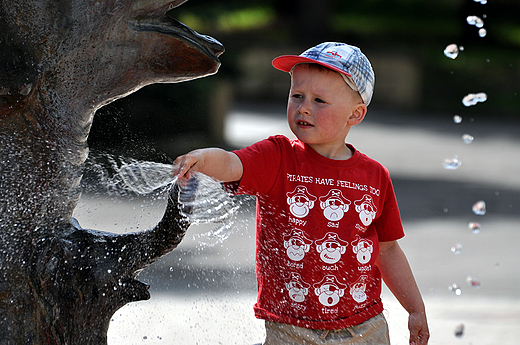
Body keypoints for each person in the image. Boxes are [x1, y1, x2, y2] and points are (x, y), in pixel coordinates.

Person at [172, 42, 429, 345]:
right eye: (297, 96)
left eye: (319, 100)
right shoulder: (277, 156)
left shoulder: (375, 177)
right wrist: (203, 159)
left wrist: (414, 308)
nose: (303, 107)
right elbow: (232, 163)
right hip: (290, 328)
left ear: (355, 114)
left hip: (364, 327)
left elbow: (387, 250)